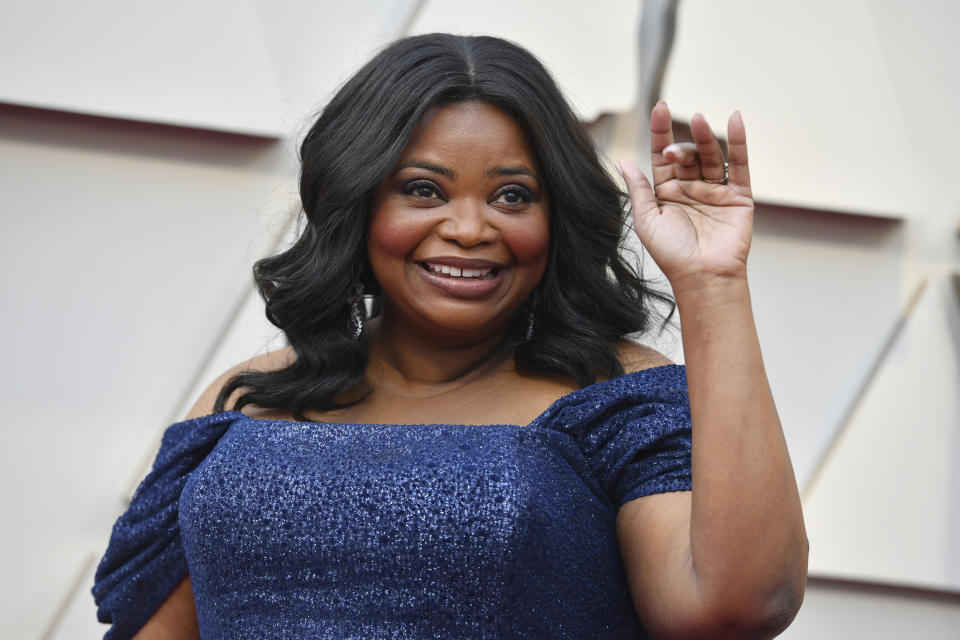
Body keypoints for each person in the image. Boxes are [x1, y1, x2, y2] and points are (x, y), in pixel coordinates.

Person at [92, 33, 807, 639]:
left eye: (513, 196)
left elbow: (737, 606)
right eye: (424, 189)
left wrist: (712, 285)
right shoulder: (247, 400)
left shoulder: (615, 399)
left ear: (556, 219)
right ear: (358, 201)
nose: (470, 229)